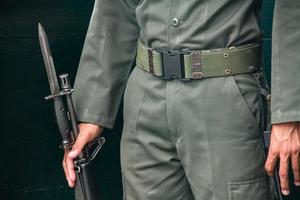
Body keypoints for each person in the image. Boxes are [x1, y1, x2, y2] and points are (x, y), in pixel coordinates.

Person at [61, 0, 300, 199]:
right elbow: (115, 7)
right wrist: (91, 113)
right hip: (146, 99)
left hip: (224, 99)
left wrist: (289, 112)